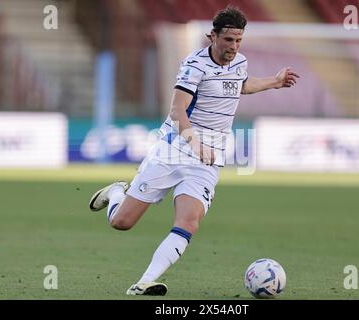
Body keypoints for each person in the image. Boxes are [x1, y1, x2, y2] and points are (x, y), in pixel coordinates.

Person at [88, 6, 299, 296]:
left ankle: (145, 282)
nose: (233, 47)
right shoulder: (193, 65)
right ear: (212, 36)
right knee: (121, 223)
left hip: (207, 160)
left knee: (189, 221)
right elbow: (177, 111)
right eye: (228, 40)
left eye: (238, 40)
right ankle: (115, 193)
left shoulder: (240, 62)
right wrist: (197, 144)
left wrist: (274, 82)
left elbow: (239, 85)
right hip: (174, 148)